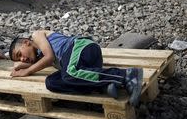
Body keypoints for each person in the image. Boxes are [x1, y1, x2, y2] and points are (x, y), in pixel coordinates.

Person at [9, 30, 143, 106]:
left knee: (69, 73)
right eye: (19, 59)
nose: (22, 58)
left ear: (26, 42)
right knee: (51, 82)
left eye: (20, 54)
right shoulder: (38, 55)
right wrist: (22, 65)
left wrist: (26, 70)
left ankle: (127, 75)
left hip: (81, 47)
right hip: (83, 64)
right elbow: (41, 61)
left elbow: (49, 57)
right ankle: (104, 84)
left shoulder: (36, 36)